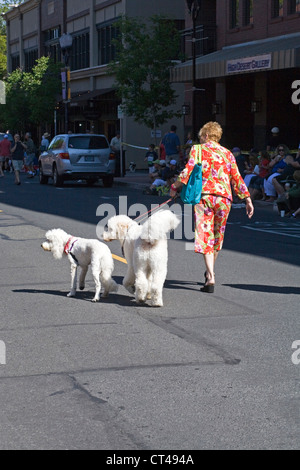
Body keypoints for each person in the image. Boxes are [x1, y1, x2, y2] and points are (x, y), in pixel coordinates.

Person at [170, 121, 254, 293]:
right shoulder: (228, 153)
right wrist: (247, 199)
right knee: (217, 236)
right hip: (224, 199)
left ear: (206, 135)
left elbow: (188, 170)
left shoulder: (198, 149)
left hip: (204, 197)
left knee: (205, 235)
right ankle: (210, 273)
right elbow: (236, 177)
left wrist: (174, 187)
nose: (200, 140)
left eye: (201, 136)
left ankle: (211, 275)